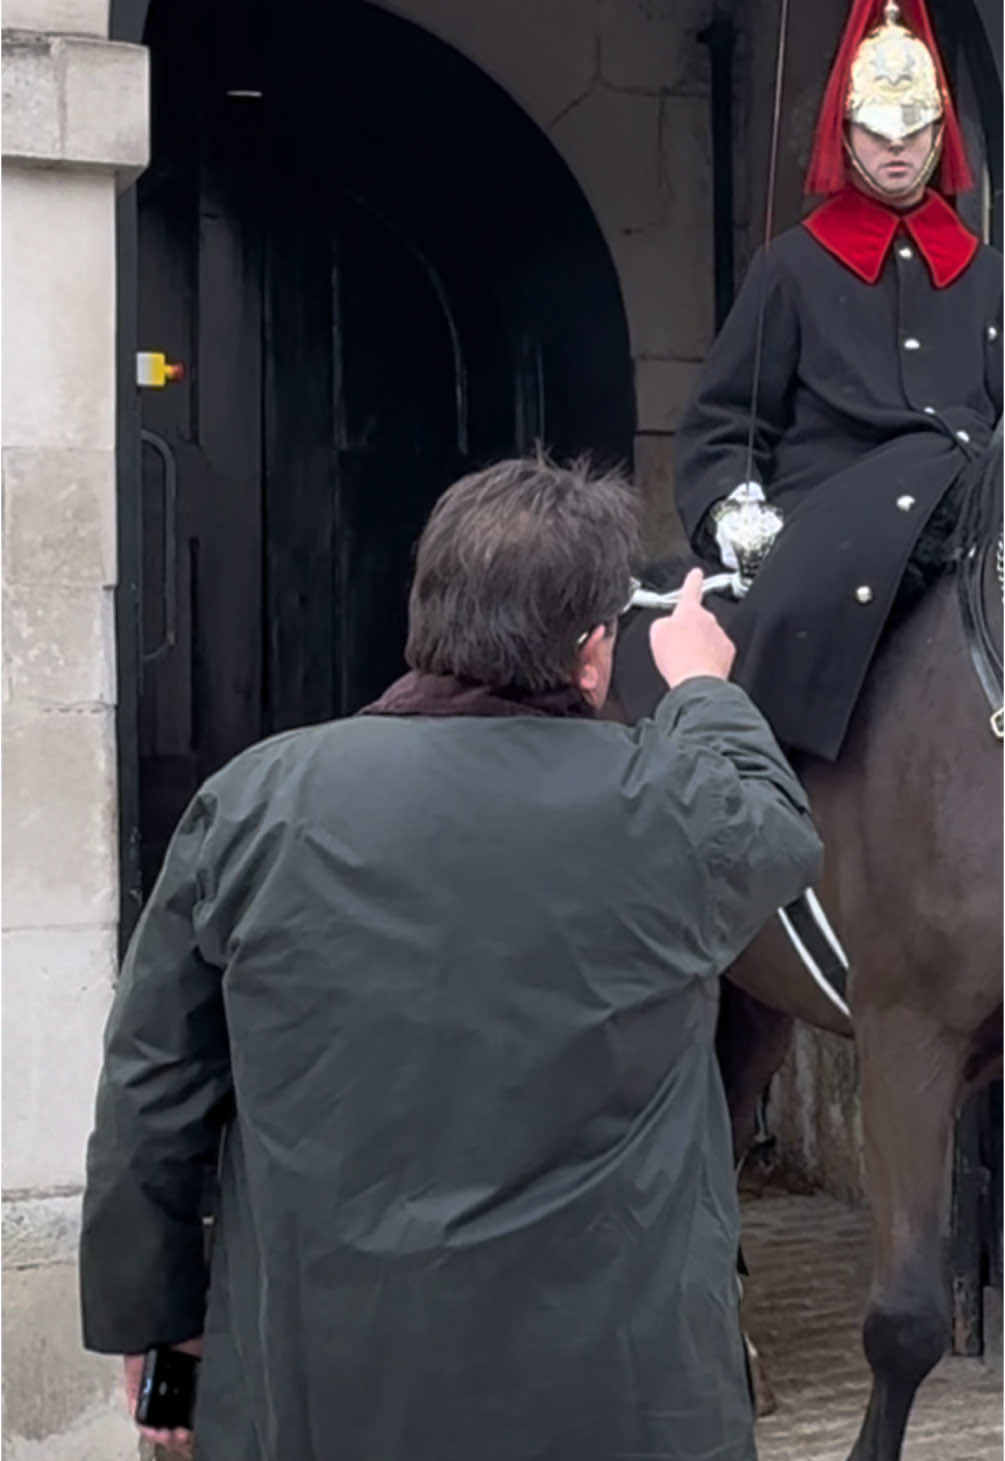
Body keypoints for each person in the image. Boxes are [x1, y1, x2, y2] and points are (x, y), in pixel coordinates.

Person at [80, 456, 821, 1461]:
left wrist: (156, 1328)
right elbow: (773, 828)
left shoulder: (256, 803)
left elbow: (153, 1094)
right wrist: (699, 685)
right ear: (594, 652)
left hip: (320, 1396)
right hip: (618, 1409)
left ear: (425, 619)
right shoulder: (668, 808)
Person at [674, 0, 1003, 760]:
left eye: (914, 130)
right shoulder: (790, 268)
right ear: (845, 133)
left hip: (967, 502)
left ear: (939, 130)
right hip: (829, 514)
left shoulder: (987, 274)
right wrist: (734, 513)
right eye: (877, 132)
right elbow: (725, 422)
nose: (896, 149)